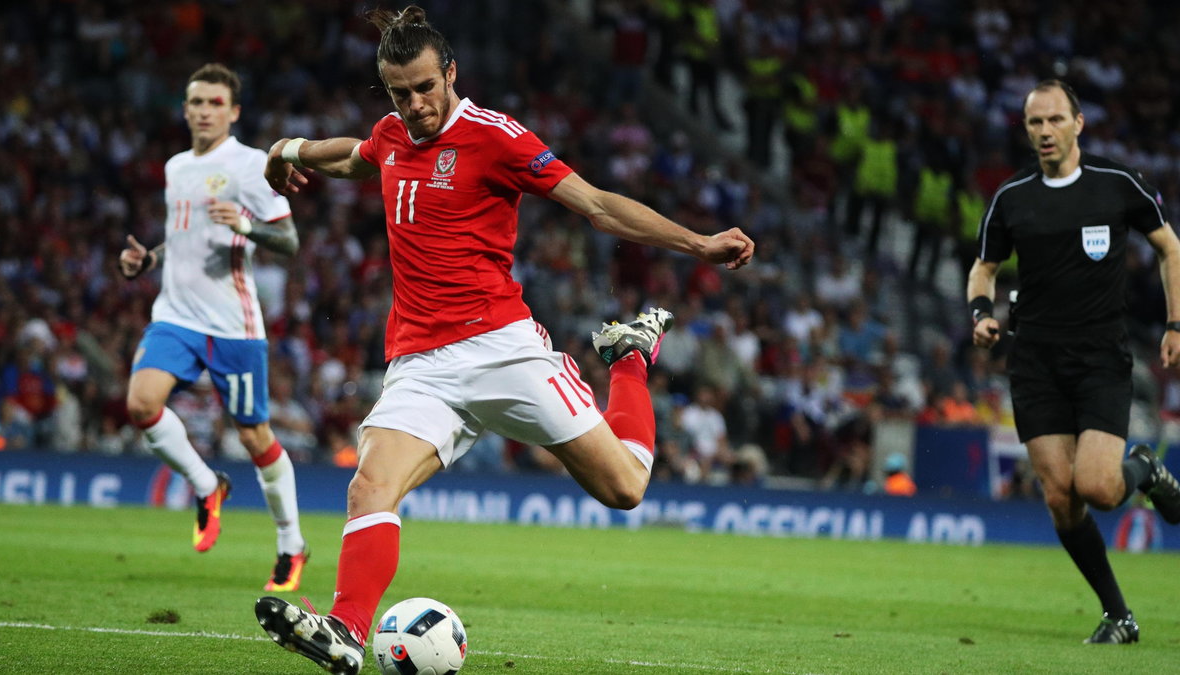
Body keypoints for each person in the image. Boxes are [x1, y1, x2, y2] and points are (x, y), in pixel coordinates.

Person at [252, 7, 754, 674]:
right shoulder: (391, 134)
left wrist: (698, 243)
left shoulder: (497, 138)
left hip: (503, 349)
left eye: (426, 87)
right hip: (419, 364)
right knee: (369, 488)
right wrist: (283, 153)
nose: (416, 104)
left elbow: (598, 204)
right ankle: (345, 628)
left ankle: (629, 357)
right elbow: (351, 155)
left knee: (626, 488)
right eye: (400, 93)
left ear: (451, 72)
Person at [967, 79, 1180, 645]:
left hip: (1098, 358)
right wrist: (980, 314)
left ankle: (1146, 470)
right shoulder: (1011, 198)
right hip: (1035, 362)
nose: (1044, 131)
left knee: (1101, 490)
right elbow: (984, 267)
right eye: (1035, 122)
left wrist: (1176, 322)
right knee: (1060, 496)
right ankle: (1119, 615)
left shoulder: (1116, 184)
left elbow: (1170, 248)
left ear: (1078, 124)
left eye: (1055, 120)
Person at [118, 63, 309, 592]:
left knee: (254, 436)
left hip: (232, 324)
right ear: (184, 108)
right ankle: (206, 486)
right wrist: (148, 261)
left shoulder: (250, 166)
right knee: (140, 404)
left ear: (234, 111)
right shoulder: (176, 166)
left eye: (215, 103)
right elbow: (182, 237)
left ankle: (292, 544)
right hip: (175, 316)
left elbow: (289, 241)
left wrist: (245, 226)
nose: (204, 111)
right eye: (196, 102)